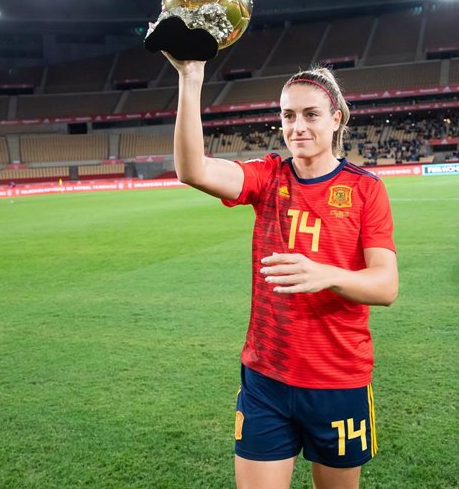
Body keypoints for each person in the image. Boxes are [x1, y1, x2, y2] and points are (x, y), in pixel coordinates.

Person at [164, 52, 399, 489]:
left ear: (336, 118)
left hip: (337, 378)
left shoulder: (366, 189)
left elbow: (385, 286)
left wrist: (327, 274)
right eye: (288, 115)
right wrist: (191, 77)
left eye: (311, 115)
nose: (298, 127)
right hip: (265, 378)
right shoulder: (269, 177)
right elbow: (192, 170)